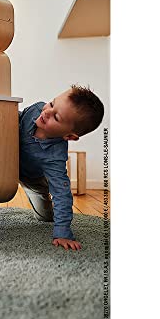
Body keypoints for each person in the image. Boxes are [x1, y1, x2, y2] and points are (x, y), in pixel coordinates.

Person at [19, 85, 104, 251]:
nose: (47, 112)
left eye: (56, 117)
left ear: (69, 136)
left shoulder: (55, 158)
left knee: (45, 216)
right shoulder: (36, 109)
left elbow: (61, 194)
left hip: (32, 179)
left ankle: (48, 212)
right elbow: (15, 118)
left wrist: (62, 233)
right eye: (52, 104)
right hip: (4, 163)